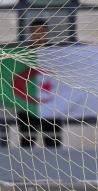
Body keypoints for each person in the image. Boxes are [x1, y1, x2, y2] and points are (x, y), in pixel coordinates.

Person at [17, 19, 62, 148]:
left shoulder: (57, 53)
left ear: (47, 33)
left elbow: (75, 62)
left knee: (53, 143)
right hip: (28, 105)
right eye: (36, 31)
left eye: (42, 31)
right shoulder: (22, 54)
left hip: (51, 104)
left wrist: (93, 52)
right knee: (27, 142)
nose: (39, 34)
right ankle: (25, 167)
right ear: (31, 33)